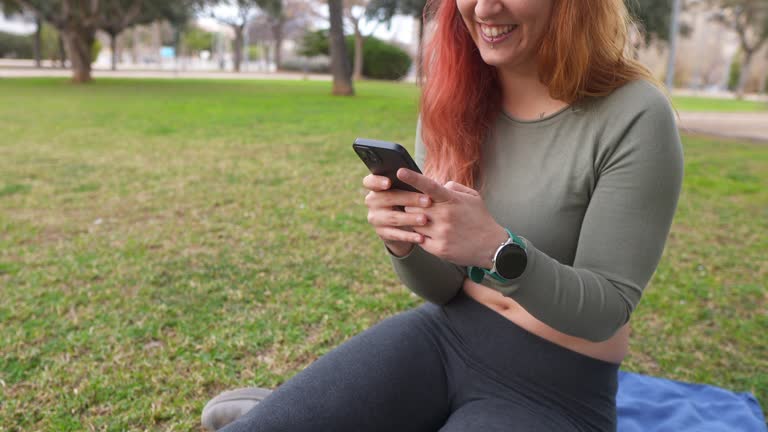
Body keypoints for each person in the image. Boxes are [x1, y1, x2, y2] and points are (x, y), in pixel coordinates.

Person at [201, 0, 683, 430]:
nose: (485, 8)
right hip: (444, 335)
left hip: (559, 387)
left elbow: (605, 310)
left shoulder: (634, 114)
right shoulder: (454, 95)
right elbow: (443, 287)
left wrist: (497, 249)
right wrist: (404, 242)